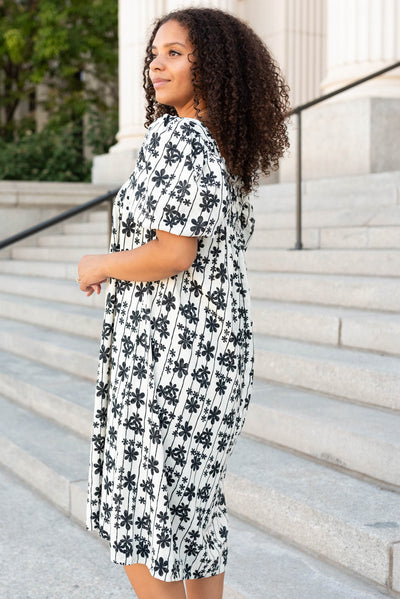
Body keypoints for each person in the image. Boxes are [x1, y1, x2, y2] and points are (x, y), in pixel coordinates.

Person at [77, 7, 290, 599]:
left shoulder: (176, 138)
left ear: (213, 65)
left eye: (175, 53)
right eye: (155, 53)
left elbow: (173, 253)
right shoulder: (224, 148)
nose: (156, 65)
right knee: (190, 511)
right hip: (213, 354)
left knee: (144, 516)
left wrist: (100, 264)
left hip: (171, 355)